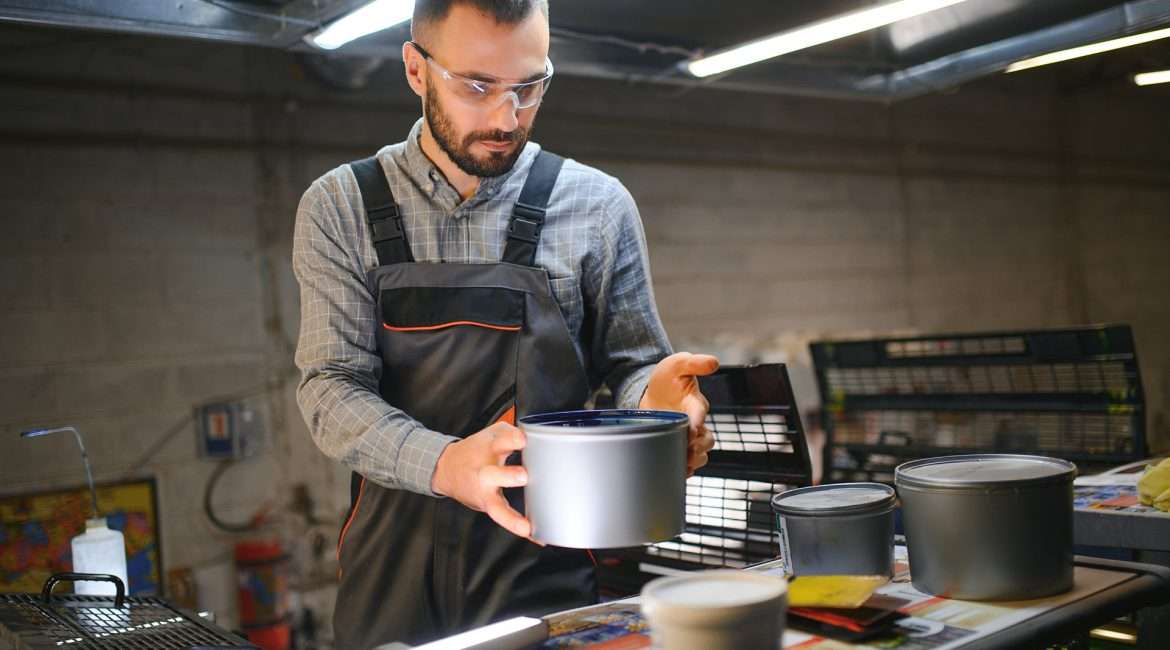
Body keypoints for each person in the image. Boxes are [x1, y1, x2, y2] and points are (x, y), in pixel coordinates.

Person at [292, 1, 719, 647]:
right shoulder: (339, 207)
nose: (505, 117)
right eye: (476, 86)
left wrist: (655, 405)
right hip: (392, 566)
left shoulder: (597, 206)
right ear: (416, 69)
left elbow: (631, 366)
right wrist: (446, 463)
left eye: (529, 86)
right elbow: (330, 386)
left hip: (547, 556)